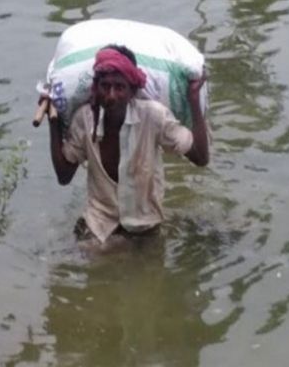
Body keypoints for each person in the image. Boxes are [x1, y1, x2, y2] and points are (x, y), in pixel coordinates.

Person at [47, 44, 209, 246]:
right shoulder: (85, 119)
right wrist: (52, 121)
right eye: (105, 86)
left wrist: (194, 101)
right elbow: (63, 176)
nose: (111, 95)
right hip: (98, 227)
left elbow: (201, 158)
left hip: (146, 226)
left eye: (120, 87)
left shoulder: (153, 116)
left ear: (132, 91)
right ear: (96, 88)